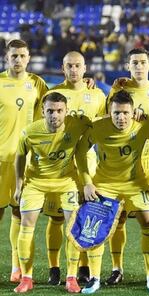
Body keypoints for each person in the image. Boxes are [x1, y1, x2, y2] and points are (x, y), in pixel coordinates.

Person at [75, 90, 149, 294]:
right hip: (105, 184)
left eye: (125, 113)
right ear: (109, 112)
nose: (121, 117)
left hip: (135, 183)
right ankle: (94, 278)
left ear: (133, 112)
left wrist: (148, 116)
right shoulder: (98, 127)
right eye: (116, 113)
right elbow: (80, 151)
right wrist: (87, 182)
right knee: (95, 228)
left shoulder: (142, 125)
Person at [104, 48, 149, 286]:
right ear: (128, 65)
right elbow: (108, 117)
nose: (138, 66)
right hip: (123, 163)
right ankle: (117, 268)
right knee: (119, 217)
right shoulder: (119, 89)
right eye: (134, 62)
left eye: (143, 62)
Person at [13, 92, 91, 293]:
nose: (54, 115)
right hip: (36, 182)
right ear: (42, 112)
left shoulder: (78, 124)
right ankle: (27, 277)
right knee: (26, 225)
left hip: (66, 181)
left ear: (66, 111)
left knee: (74, 228)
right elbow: (20, 155)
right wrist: (20, 183)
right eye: (50, 111)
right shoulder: (30, 132)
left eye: (59, 111)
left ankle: (71, 277)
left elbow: (100, 125)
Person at [39, 51, 106, 285]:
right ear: (62, 67)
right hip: (59, 165)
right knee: (57, 218)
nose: (74, 70)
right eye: (69, 66)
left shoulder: (97, 95)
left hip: (87, 163)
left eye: (78, 65)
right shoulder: (52, 94)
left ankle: (84, 267)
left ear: (85, 67)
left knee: (86, 216)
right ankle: (54, 267)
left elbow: (104, 126)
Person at [0, 39, 48, 283]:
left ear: (28, 58)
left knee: (20, 212)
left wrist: (89, 81)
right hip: (0, 160)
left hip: (26, 161)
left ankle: (16, 267)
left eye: (22, 56)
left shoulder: (37, 84)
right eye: (14, 56)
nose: (18, 60)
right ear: (6, 57)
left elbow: (56, 103)